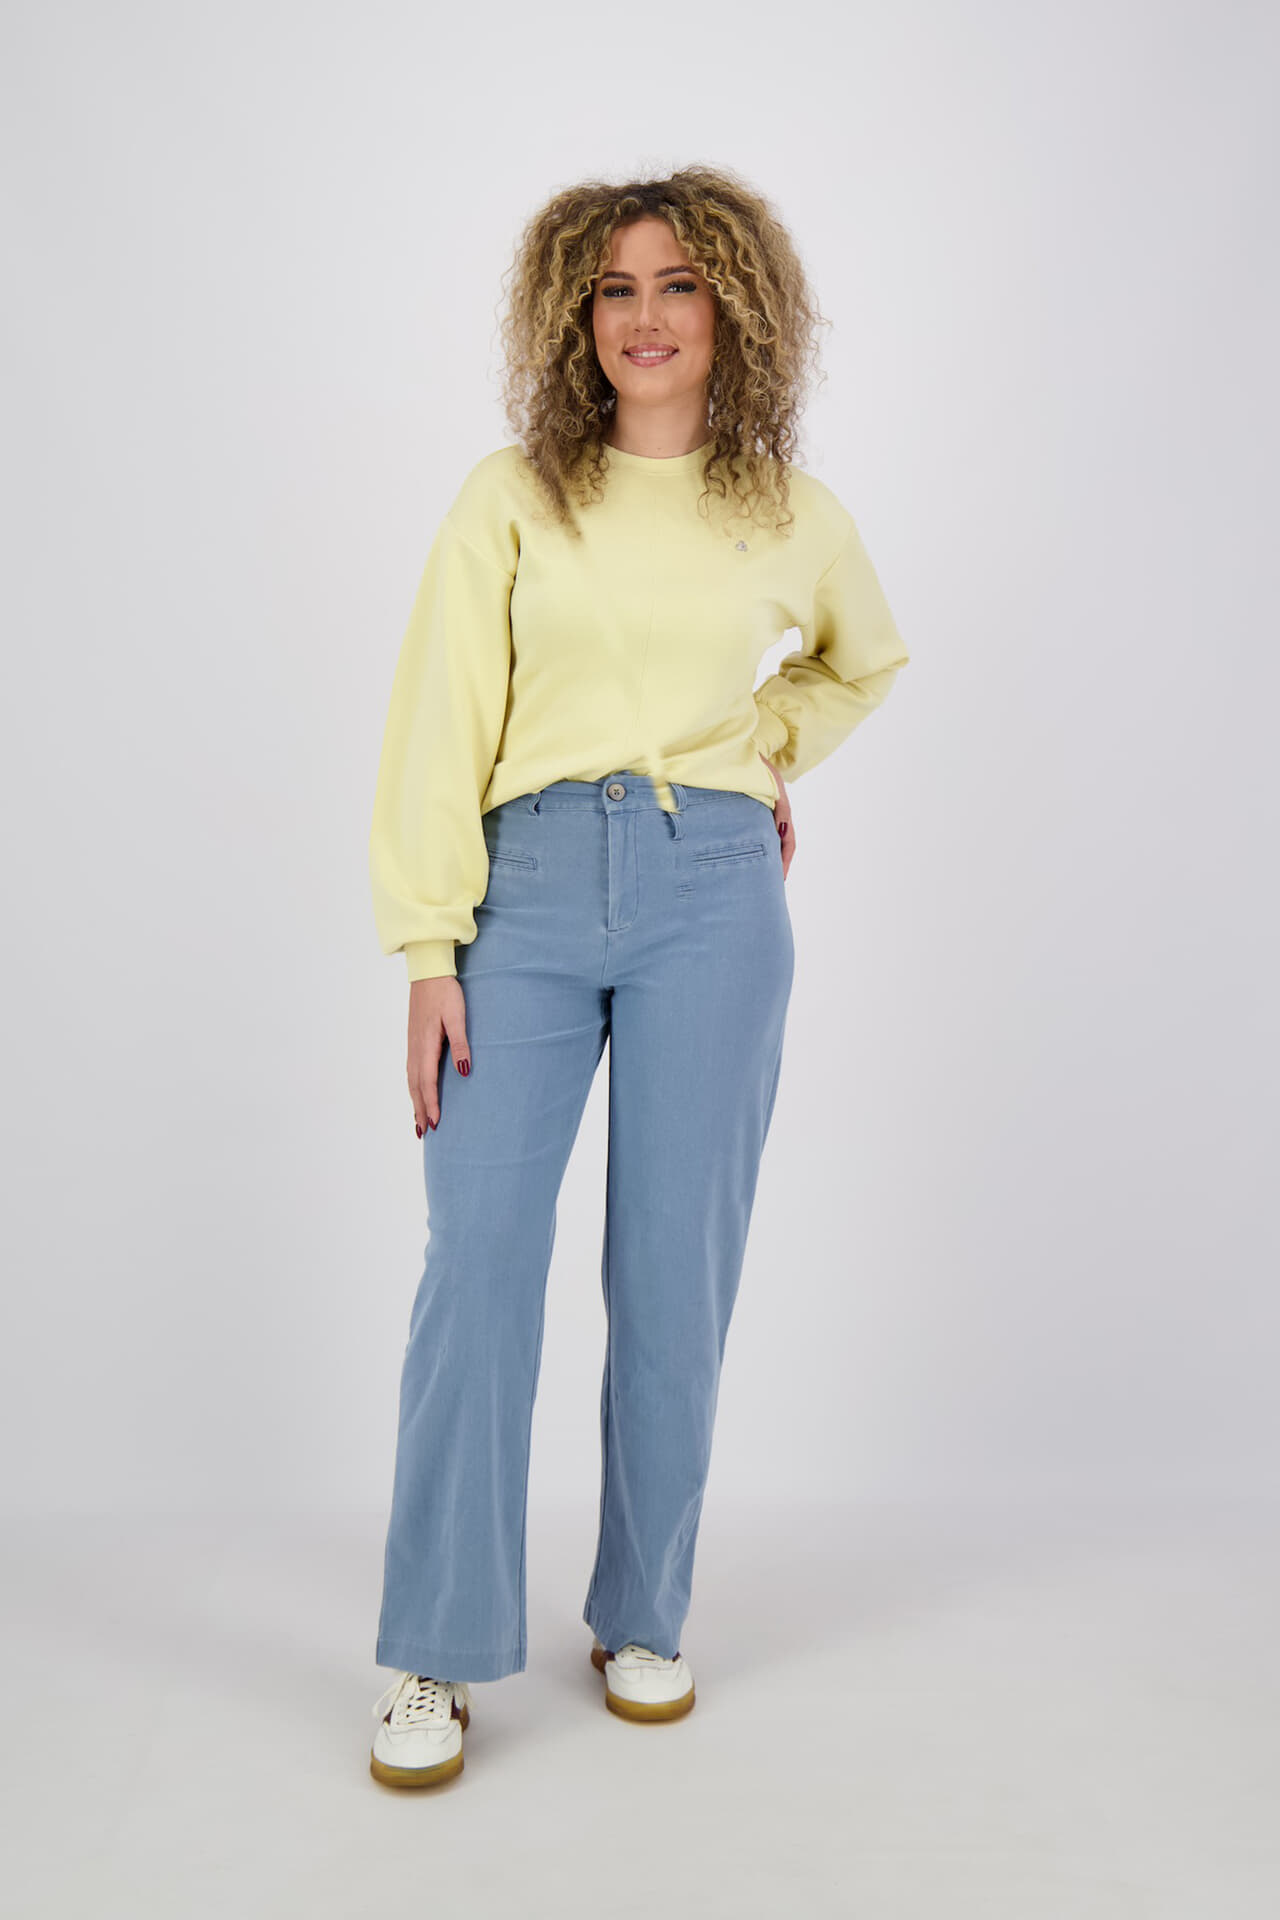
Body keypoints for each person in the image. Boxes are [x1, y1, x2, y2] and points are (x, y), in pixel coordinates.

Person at [365, 165, 910, 1789]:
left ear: (734, 309)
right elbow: (439, 721)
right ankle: (436, 1641)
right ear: (575, 315)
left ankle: (642, 1612)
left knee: (676, 1274)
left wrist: (768, 747)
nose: (648, 316)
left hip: (712, 897)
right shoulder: (511, 497)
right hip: (522, 894)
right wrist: (428, 946)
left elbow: (864, 659)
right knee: (478, 1265)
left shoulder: (791, 514)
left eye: (679, 285)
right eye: (616, 288)